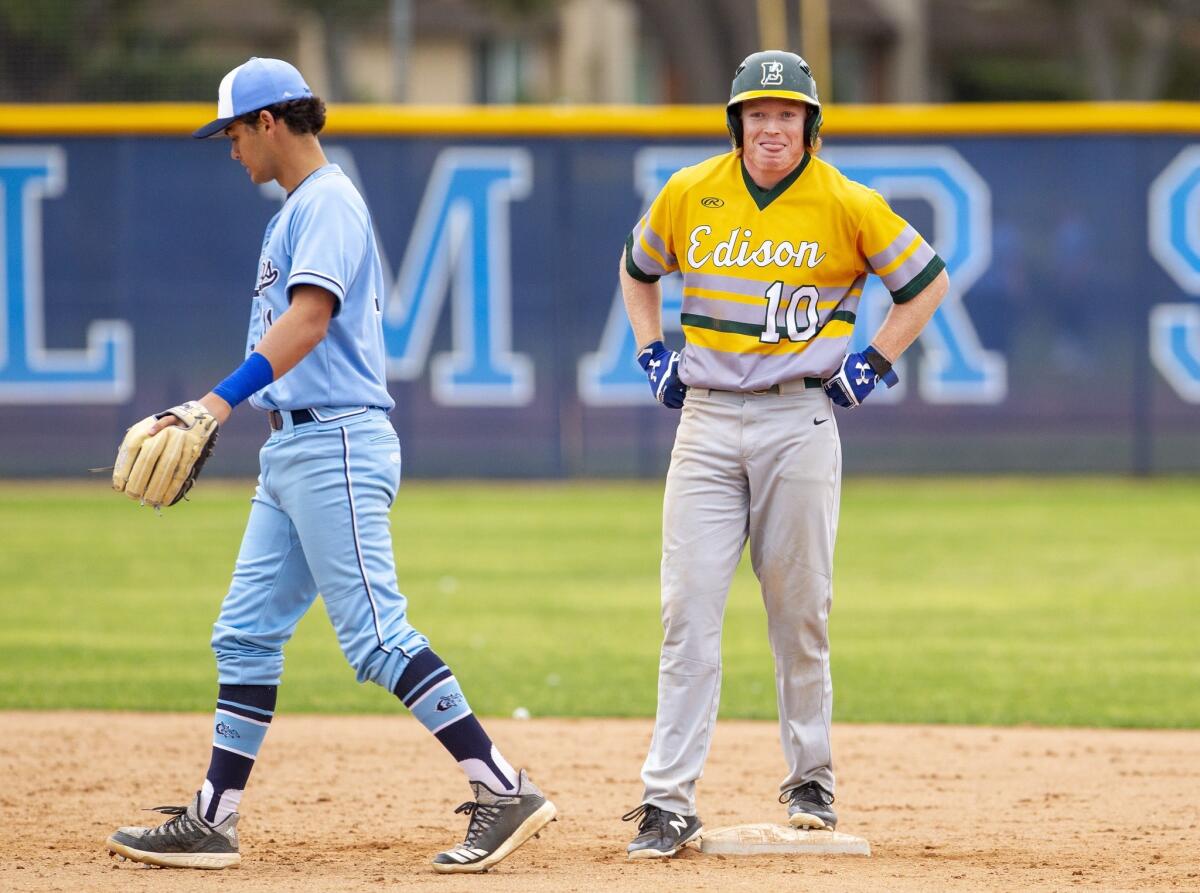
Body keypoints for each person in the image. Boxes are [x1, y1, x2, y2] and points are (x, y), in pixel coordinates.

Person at [103, 58, 555, 874]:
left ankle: (502, 784)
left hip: (336, 441)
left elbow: (309, 321)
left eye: (235, 132)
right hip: (296, 448)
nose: (231, 148)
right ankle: (214, 815)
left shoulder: (329, 205)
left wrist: (212, 403)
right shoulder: (299, 211)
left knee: (377, 637)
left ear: (270, 122)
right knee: (244, 634)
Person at [618, 50, 949, 858]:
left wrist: (875, 360)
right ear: (737, 121)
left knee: (800, 609)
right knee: (685, 609)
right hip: (704, 420)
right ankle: (666, 799)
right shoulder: (692, 190)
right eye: (757, 113)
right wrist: (650, 348)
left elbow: (927, 282)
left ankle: (812, 776)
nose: (772, 127)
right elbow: (637, 269)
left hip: (798, 418)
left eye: (787, 114)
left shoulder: (844, 201)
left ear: (809, 124)